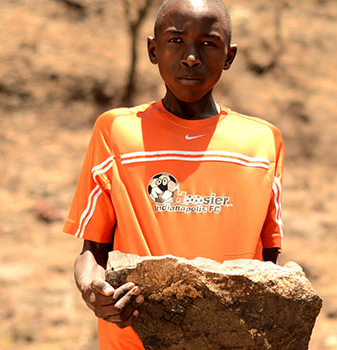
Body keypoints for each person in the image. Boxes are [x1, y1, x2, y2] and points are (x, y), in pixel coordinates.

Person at [63, 0, 284, 348]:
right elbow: (92, 250)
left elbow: (268, 261)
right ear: (153, 49)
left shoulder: (261, 143)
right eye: (176, 40)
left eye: (208, 44)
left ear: (229, 56)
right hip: (134, 341)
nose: (191, 57)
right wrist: (93, 289)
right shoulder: (117, 132)